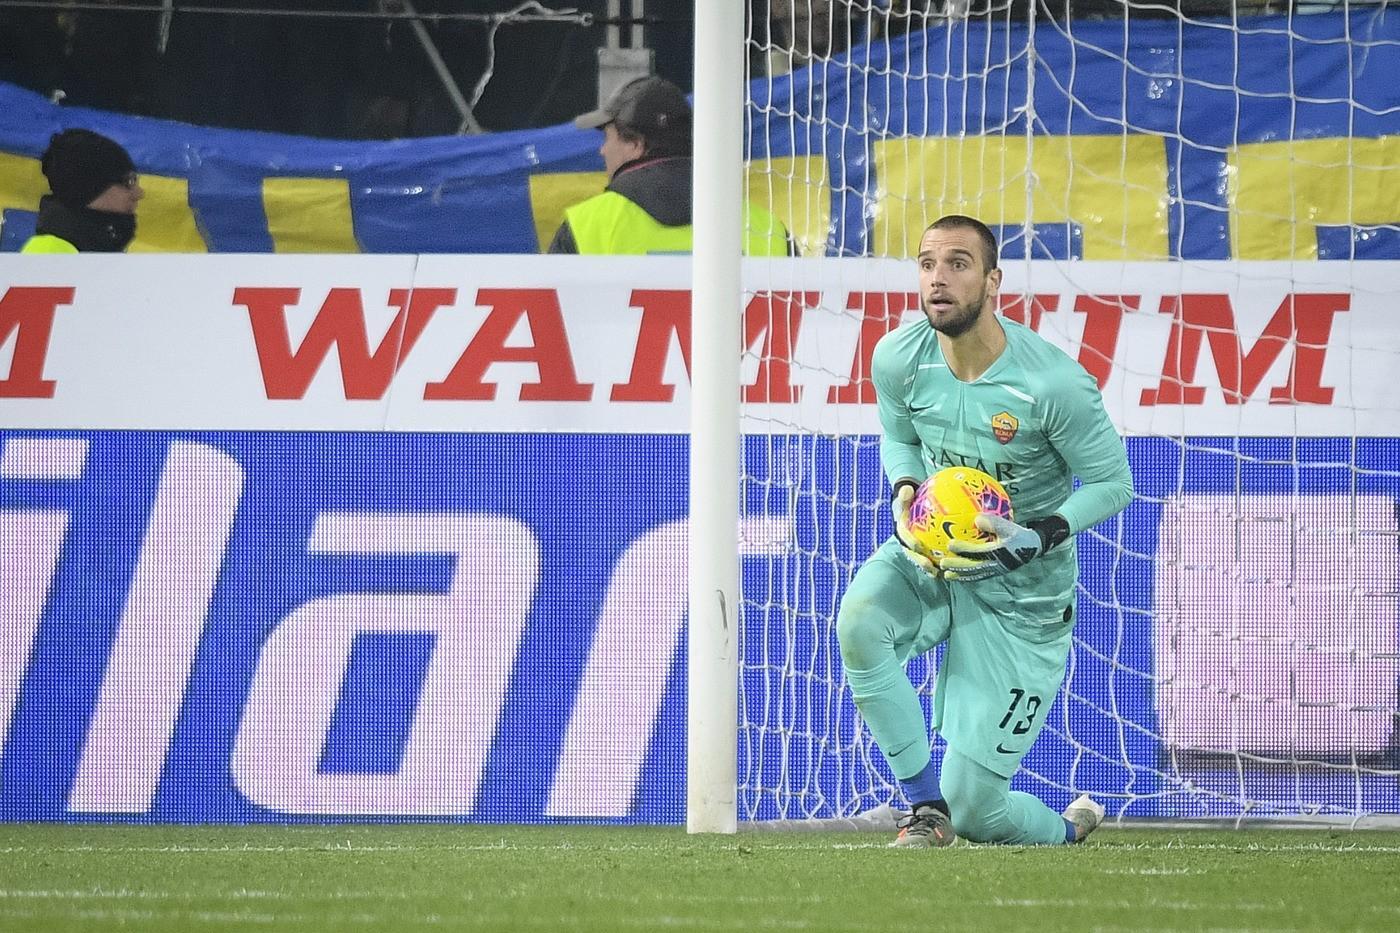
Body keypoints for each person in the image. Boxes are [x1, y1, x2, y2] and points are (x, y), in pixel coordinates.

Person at [836, 215, 1133, 847]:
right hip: (938, 557)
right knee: (859, 621)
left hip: (1024, 598)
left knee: (979, 813)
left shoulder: (1052, 383)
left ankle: (1066, 829)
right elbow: (899, 436)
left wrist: (1042, 533)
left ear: (993, 281)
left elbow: (1113, 486)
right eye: (926, 263)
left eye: (958, 264)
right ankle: (924, 810)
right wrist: (906, 489)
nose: (937, 278)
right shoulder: (899, 358)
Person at [549, 76, 794, 256]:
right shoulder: (768, 228)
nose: (602, 150)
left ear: (635, 144)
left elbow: (553, 318)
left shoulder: (588, 224)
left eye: (607, 138)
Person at [21, 128, 143, 253]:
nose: (139, 193)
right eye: (129, 182)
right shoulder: (49, 255)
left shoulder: (94, 251)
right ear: (91, 188)